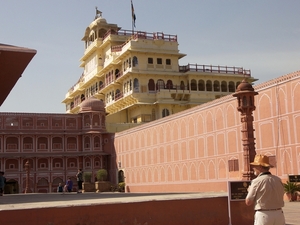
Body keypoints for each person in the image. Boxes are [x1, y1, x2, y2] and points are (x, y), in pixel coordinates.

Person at [245, 154, 285, 225]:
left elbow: (248, 202)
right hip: (279, 214)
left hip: (264, 215)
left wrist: (249, 191)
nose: (253, 168)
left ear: (260, 167)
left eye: (255, 166)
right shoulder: (278, 180)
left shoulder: (257, 181)